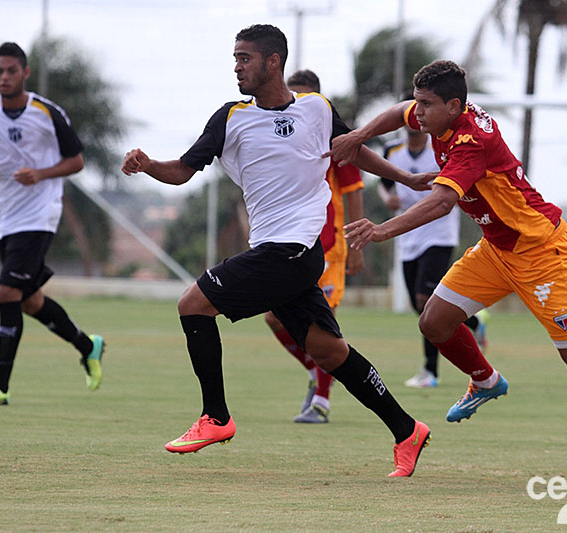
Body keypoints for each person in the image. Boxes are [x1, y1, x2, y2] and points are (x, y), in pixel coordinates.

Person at [331, 59, 567, 490]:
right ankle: (485, 380)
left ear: (454, 105)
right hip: (497, 249)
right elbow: (398, 110)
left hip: (542, 252)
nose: (417, 112)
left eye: (426, 104)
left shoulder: (470, 140)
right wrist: (358, 135)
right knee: (435, 321)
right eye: (418, 102)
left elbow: (442, 203)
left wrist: (381, 229)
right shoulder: (440, 116)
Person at [122, 24, 432, 477]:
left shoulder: (317, 109)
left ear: (272, 62)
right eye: (235, 58)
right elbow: (183, 171)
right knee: (329, 351)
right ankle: (407, 430)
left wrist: (405, 180)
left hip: (294, 250)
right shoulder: (231, 117)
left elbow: (351, 150)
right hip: (282, 253)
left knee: (192, 305)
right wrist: (148, 165)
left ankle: (216, 417)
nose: (236, 66)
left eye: (244, 58)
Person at [0, 42, 105, 405]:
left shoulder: (46, 112)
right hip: (5, 214)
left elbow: (76, 161)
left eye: (11, 70)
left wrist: (41, 174)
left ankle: (0, 387)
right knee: (29, 301)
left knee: (7, 292)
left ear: (24, 73)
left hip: (41, 213)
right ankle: (89, 346)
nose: (4, 77)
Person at [262, 69, 364, 424]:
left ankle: (321, 401)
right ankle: (315, 370)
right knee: (274, 316)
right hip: (292, 246)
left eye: (304, 98)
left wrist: (356, 244)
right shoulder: (284, 137)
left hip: (329, 247)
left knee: (324, 325)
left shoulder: (331, 138)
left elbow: (353, 189)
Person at [380, 125, 489, 388]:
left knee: (424, 299)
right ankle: (473, 321)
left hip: (439, 234)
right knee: (420, 307)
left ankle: (430, 372)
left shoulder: (440, 149)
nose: (414, 124)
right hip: (408, 236)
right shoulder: (392, 150)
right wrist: (387, 198)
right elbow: (384, 184)